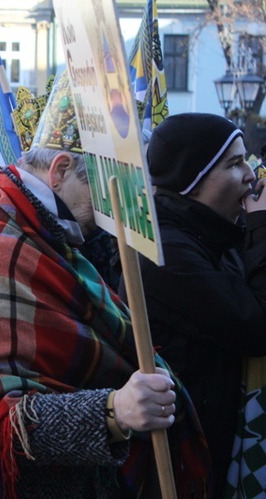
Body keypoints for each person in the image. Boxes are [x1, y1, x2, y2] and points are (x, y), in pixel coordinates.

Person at [0, 73, 211, 498]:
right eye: (105, 193)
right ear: (61, 169)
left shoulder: (32, 226)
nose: (113, 211)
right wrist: (114, 412)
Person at [126, 113, 266, 497]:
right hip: (183, 467)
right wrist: (261, 228)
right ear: (193, 180)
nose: (251, 176)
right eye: (234, 163)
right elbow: (257, 326)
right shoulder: (164, 253)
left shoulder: (216, 239)